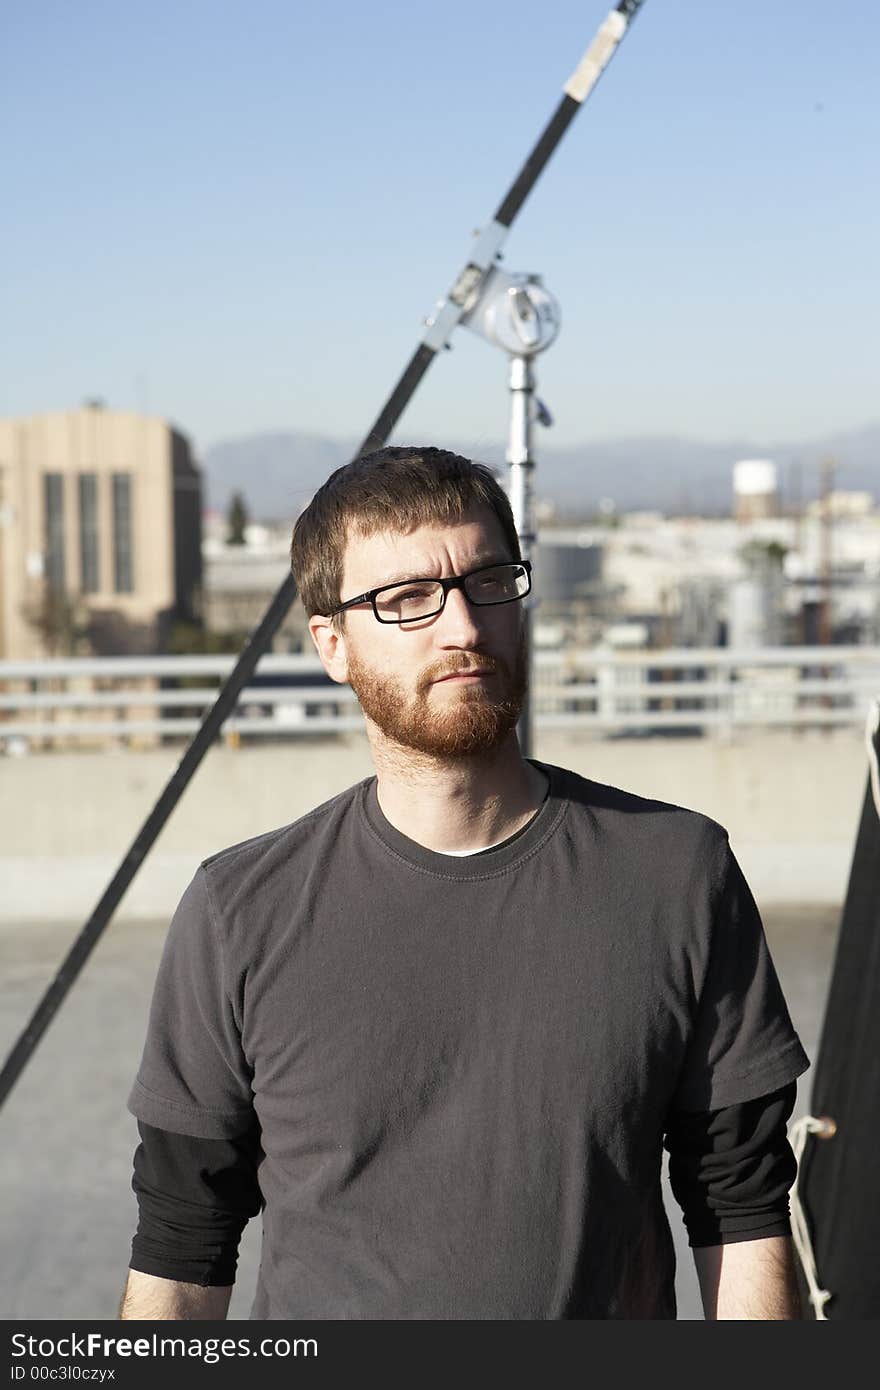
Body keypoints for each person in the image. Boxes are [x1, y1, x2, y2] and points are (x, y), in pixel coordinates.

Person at [120, 446, 809, 1321]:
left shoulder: (678, 872)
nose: (462, 626)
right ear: (332, 645)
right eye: (405, 600)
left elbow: (740, 1209)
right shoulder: (240, 910)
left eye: (488, 582)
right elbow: (184, 1249)